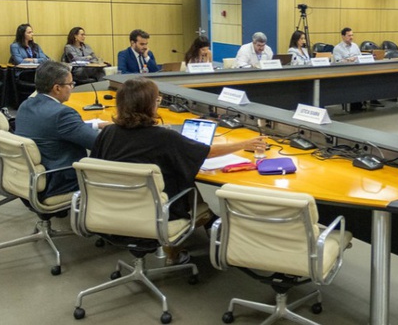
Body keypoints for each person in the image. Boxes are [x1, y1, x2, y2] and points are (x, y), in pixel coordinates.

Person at [90, 77, 266, 263]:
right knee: (185, 185)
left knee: (178, 180)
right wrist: (244, 144)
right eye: (157, 100)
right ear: (150, 104)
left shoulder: (108, 133)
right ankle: (182, 250)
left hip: (112, 210)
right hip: (157, 215)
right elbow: (207, 152)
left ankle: (183, 248)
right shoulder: (164, 137)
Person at [14, 61, 108, 199]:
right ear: (57, 88)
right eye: (70, 84)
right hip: (60, 180)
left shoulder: (26, 104)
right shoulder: (62, 114)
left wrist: (95, 125)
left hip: (30, 177)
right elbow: (99, 144)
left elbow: (53, 128)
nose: (72, 88)